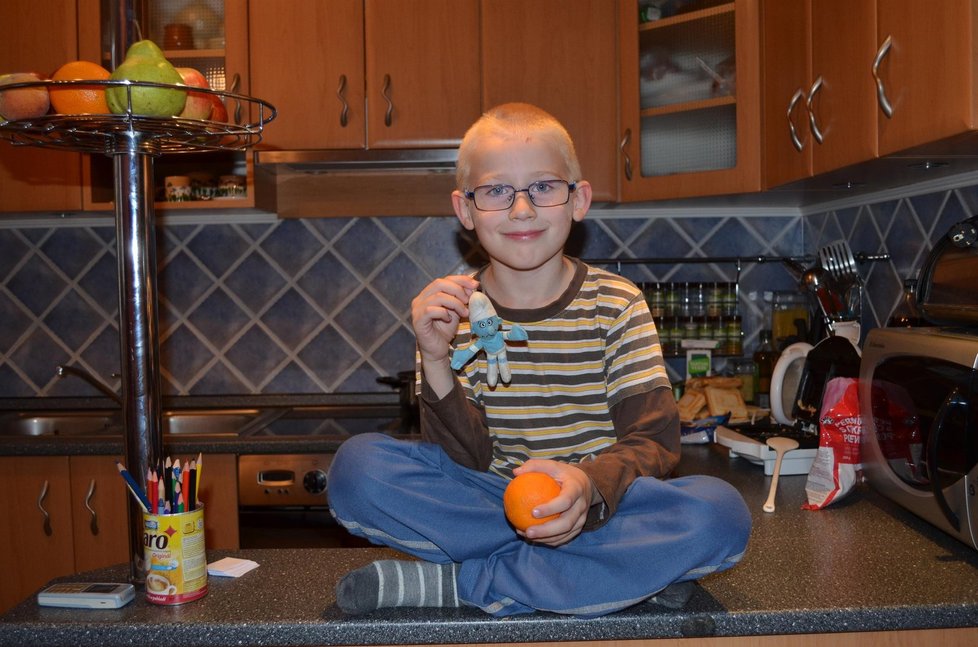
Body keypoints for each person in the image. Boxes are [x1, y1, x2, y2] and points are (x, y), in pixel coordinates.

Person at [326, 102, 751, 617]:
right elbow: (465, 464)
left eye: (543, 187)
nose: (521, 210)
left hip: (604, 508)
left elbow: (654, 442)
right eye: (496, 191)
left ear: (578, 200)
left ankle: (460, 586)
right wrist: (436, 363)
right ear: (465, 210)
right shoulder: (452, 313)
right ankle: (613, 577)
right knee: (356, 469)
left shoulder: (617, 304)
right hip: (495, 507)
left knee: (720, 513)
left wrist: (586, 485)